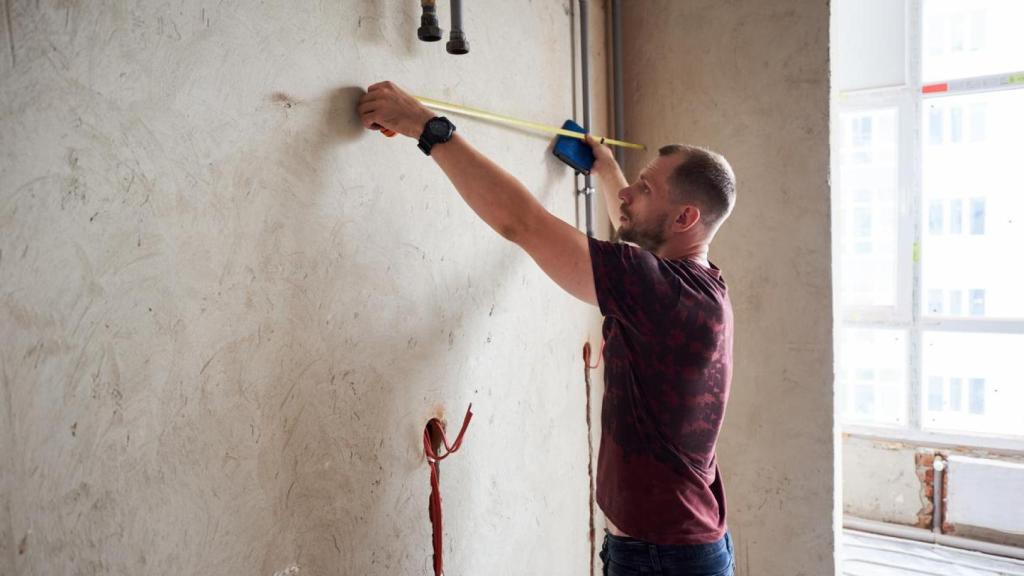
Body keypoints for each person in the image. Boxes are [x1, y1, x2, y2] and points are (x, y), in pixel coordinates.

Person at [358, 81, 737, 576]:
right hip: (675, 548)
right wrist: (606, 168)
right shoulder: (698, 285)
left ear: (686, 216)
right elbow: (640, 246)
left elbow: (523, 223)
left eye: (645, 189)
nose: (628, 193)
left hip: (665, 559)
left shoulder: (661, 292)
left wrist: (426, 128)